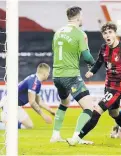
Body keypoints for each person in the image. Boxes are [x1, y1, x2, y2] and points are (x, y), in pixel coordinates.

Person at [66, 22, 121, 145]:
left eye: (110, 32)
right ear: (103, 35)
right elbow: (99, 62)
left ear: (115, 34)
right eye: (105, 33)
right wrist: (92, 72)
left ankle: (76, 139)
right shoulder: (104, 48)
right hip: (108, 85)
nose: (107, 35)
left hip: (119, 87)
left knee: (97, 110)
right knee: (113, 113)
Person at [50, 6, 95, 145]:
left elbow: (54, 50)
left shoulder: (58, 32)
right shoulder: (79, 33)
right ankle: (76, 138)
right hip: (71, 76)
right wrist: (96, 64)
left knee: (64, 102)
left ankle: (55, 135)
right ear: (78, 17)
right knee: (89, 108)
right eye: (82, 16)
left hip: (57, 75)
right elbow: (87, 57)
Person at [0, 63, 54, 129]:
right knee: (9, 128)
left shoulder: (37, 82)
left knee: (29, 126)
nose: (49, 74)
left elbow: (39, 102)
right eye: (48, 72)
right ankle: (4, 122)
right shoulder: (34, 81)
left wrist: (51, 111)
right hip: (9, 103)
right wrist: (43, 116)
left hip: (16, 106)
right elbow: (32, 102)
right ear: (44, 73)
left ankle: (8, 122)